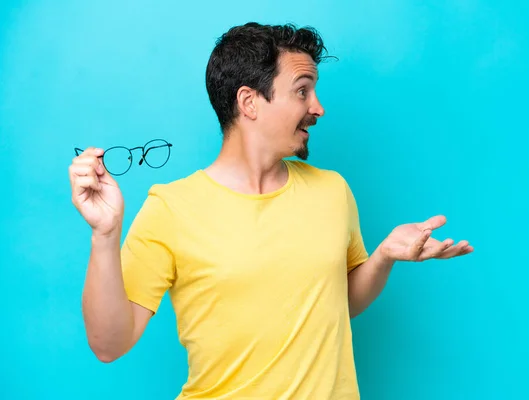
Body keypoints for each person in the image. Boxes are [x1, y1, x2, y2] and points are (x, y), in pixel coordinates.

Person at [68, 22, 473, 399]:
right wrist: (105, 235)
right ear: (249, 102)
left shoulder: (332, 191)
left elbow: (337, 302)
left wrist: (383, 256)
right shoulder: (172, 208)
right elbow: (109, 344)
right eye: (302, 90)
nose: (318, 107)